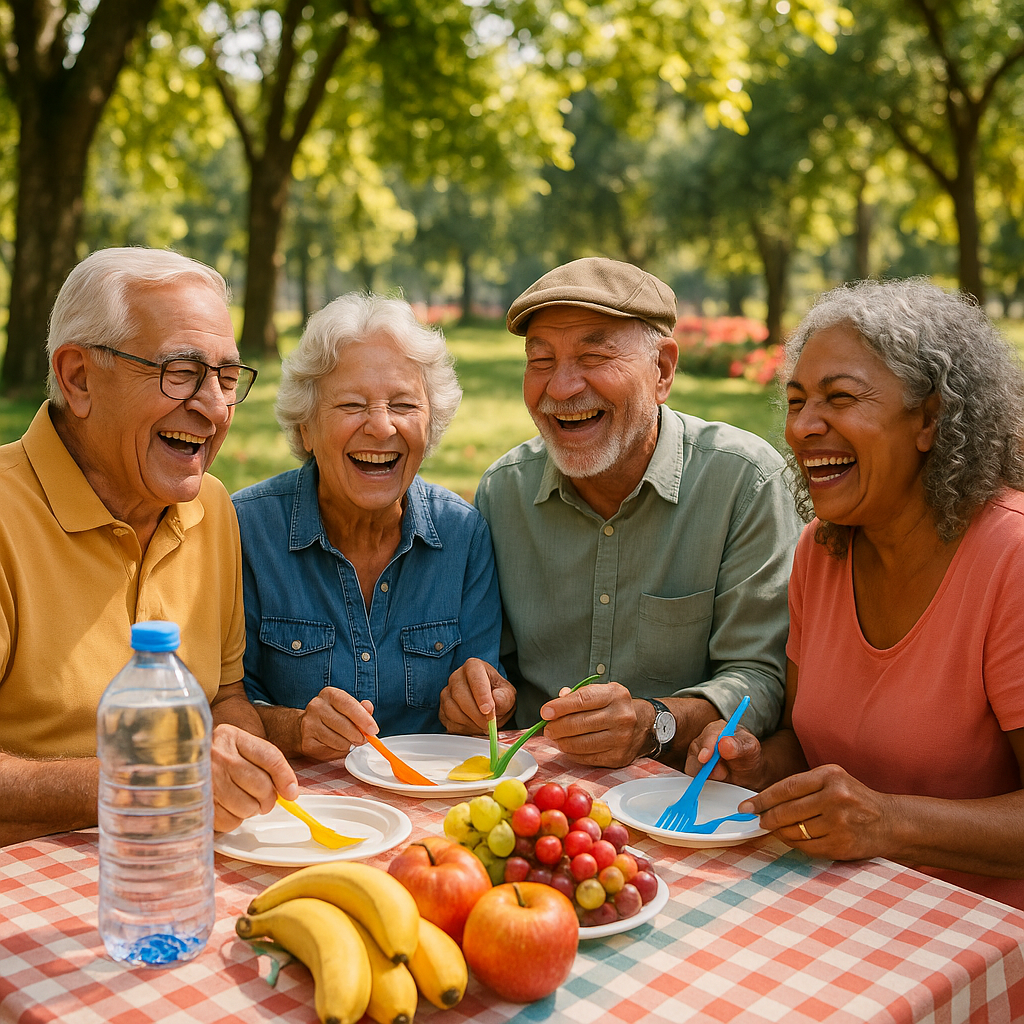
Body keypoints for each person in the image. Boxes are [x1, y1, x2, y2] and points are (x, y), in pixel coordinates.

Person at [687, 278, 1024, 910]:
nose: (804, 427)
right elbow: (803, 741)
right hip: (841, 907)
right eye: (795, 401)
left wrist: (888, 821)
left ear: (929, 418)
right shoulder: (821, 550)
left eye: (840, 398)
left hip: (983, 943)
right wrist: (757, 765)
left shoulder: (1011, 559)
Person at [439, 257, 802, 768]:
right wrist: (480, 692)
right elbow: (496, 666)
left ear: (663, 370)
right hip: (531, 792)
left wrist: (654, 721)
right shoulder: (504, 492)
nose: (561, 388)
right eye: (540, 359)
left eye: (594, 355)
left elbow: (758, 678)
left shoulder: (742, 480)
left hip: (676, 797)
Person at [0, 247, 299, 846]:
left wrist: (233, 746)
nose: (214, 406)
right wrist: (149, 784)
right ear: (78, 377)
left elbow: (227, 695)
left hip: (180, 868)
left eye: (226, 376)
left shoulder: (212, 507)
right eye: (181, 372)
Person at [231, 293, 501, 759]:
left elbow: (485, 691)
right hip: (299, 806)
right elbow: (226, 699)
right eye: (352, 404)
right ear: (305, 430)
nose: (381, 427)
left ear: (431, 425)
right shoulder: (246, 531)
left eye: (403, 405)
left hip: (430, 801)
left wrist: (483, 703)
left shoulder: (464, 535)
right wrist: (295, 728)